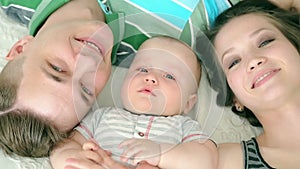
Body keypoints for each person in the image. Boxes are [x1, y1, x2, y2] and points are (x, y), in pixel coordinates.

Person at [50, 36, 217, 169]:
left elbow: (206, 160)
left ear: (188, 103)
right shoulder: (102, 116)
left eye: (169, 76)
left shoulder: (183, 126)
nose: (150, 78)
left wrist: (161, 154)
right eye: (142, 69)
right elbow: (66, 145)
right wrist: (72, 161)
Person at [202, 0, 300, 168]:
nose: (253, 61)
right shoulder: (220, 162)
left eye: (265, 42)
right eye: (233, 62)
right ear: (234, 99)